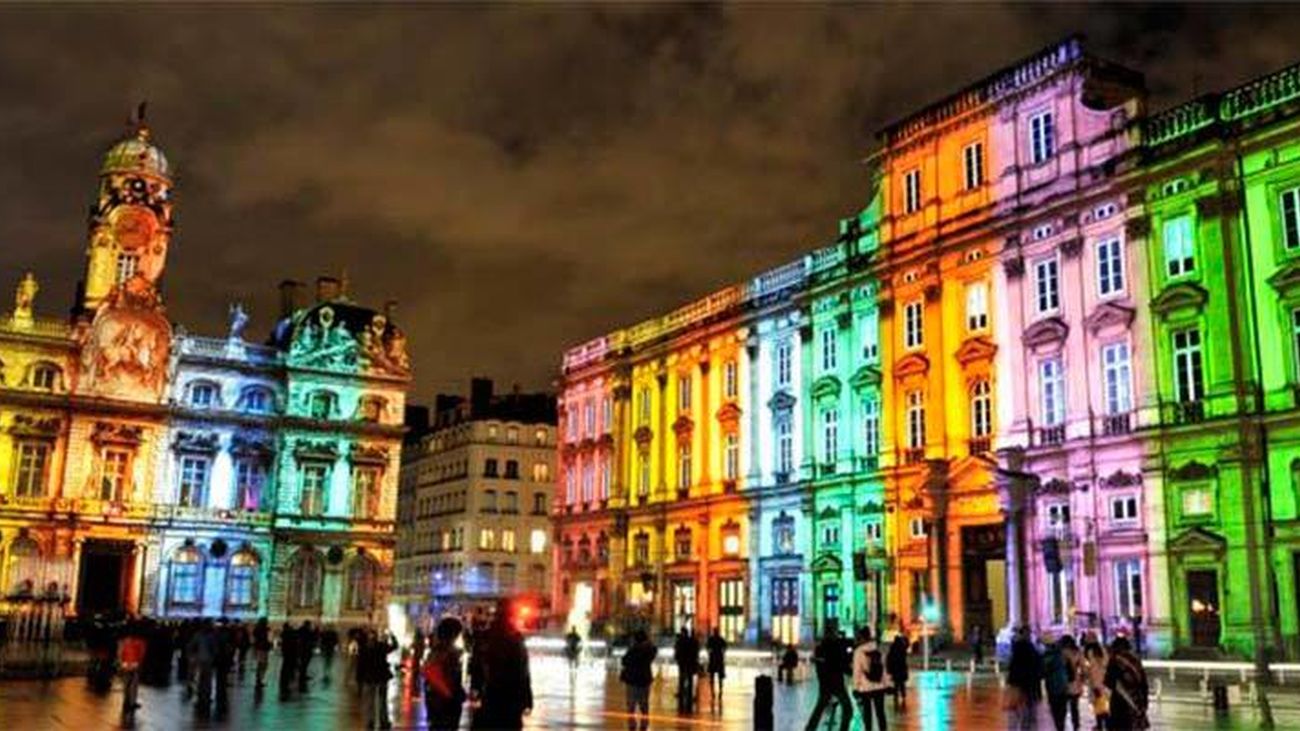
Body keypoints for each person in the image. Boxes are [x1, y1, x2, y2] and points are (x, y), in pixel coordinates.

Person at [468, 599, 534, 730]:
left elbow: (476, 665)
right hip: (510, 697)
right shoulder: (515, 638)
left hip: (489, 695)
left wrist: (475, 687)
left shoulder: (485, 636)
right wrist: (527, 698)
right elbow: (522, 671)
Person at [804, 620, 852, 731]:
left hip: (825, 684)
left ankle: (810, 728)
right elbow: (841, 664)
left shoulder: (821, 647)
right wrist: (852, 672)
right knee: (847, 708)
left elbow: (820, 667)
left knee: (820, 708)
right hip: (836, 683)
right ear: (833, 632)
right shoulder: (835, 646)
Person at [423, 618, 467, 731]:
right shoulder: (447, 654)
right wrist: (453, 695)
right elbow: (449, 678)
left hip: (438, 701)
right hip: (445, 702)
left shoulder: (436, 652)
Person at [1104, 637, 1149, 731]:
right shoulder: (1136, 660)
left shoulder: (1115, 659)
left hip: (1120, 703)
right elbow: (1144, 683)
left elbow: (1108, 682)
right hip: (1137, 701)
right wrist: (1144, 703)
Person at [852, 627, 891, 731]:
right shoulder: (878, 649)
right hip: (879, 686)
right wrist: (887, 684)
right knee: (880, 713)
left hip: (865, 688)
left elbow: (857, 671)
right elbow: (884, 669)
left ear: (861, 637)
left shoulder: (858, 651)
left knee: (867, 714)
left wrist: (855, 687)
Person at [620, 629, 657, 731]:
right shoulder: (648, 650)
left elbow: (624, 661)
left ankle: (632, 724)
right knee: (644, 704)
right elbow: (654, 650)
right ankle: (644, 722)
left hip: (632, 681)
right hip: (644, 681)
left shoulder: (633, 650)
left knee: (631, 704)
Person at [359, 628, 397, 730]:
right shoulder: (381, 646)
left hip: (369, 677)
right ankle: (383, 721)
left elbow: (361, 665)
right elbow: (395, 646)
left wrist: (360, 678)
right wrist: (391, 636)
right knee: (382, 701)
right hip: (381, 677)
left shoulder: (364, 647)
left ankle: (370, 722)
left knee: (369, 702)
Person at [1007, 627, 1043, 730]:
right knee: (1029, 712)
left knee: (1017, 711)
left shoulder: (1019, 648)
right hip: (1029, 685)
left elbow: (1013, 667)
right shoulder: (1031, 649)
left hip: (1020, 684)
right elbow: (1038, 667)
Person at [1045, 635, 1083, 731]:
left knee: (1062, 708)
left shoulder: (1060, 653)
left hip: (1063, 684)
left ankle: (1064, 726)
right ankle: (1076, 725)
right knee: (1073, 706)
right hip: (1073, 683)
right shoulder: (1077, 652)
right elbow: (1081, 668)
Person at [117, 620, 147, 724]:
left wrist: (121, 662)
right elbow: (142, 654)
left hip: (125, 664)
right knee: (133, 684)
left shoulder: (123, 641)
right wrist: (139, 663)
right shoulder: (141, 642)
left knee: (126, 684)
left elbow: (119, 653)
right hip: (135, 664)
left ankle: (126, 700)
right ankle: (132, 702)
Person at [1081, 634, 1110, 730]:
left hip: (1096, 683)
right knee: (1103, 704)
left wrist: (1093, 684)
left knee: (1098, 705)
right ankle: (1104, 724)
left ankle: (1101, 725)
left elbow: (1091, 670)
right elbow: (1106, 663)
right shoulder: (1102, 650)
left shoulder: (1090, 652)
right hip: (1104, 682)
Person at [672, 626, 701, 713]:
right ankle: (689, 695)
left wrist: (677, 658)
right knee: (690, 679)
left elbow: (677, 651)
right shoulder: (692, 641)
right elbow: (696, 651)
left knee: (682, 678)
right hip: (690, 662)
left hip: (683, 662)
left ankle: (681, 693)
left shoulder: (680, 641)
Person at [885, 633, 910, 709]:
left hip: (895, 670)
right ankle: (903, 696)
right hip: (901, 670)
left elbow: (888, 660)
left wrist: (889, 670)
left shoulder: (892, 649)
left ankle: (896, 697)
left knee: (896, 684)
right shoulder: (902, 649)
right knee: (902, 684)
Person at [706, 627, 727, 706]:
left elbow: (707, 648)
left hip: (712, 660)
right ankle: (720, 691)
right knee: (720, 677)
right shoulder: (721, 639)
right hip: (719, 660)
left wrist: (710, 653)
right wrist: (722, 653)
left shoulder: (711, 639)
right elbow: (725, 648)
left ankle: (713, 692)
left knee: (712, 677)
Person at [278, 622, 299, 698]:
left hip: (286, 652)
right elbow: (294, 643)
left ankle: (284, 678)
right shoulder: (290, 634)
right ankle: (289, 679)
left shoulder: (284, 633)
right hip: (291, 652)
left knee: (285, 665)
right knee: (289, 666)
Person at [297, 620, 318, 692]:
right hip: (307, 649)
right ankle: (302, 675)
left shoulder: (300, 630)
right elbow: (313, 637)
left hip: (301, 649)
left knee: (303, 662)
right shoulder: (308, 631)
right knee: (305, 663)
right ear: (308, 625)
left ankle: (302, 674)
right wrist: (316, 630)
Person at [252, 618, 272, 689]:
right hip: (264, 649)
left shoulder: (256, 629)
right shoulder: (267, 629)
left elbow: (254, 639)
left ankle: (258, 679)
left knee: (260, 664)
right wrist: (270, 646)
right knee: (264, 664)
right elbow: (269, 639)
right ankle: (260, 680)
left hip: (258, 648)